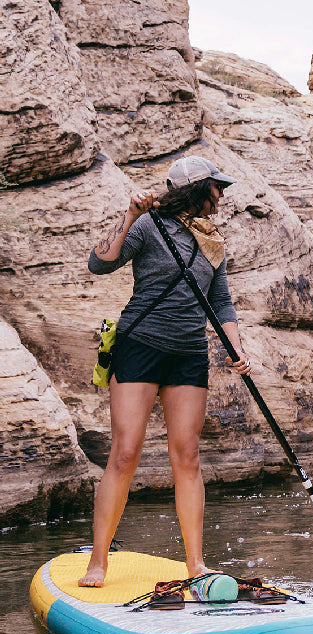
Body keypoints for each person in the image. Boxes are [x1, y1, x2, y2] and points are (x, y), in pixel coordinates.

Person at [79, 156, 251, 587]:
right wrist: (130, 214)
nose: (222, 194)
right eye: (217, 187)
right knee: (125, 453)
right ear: (197, 189)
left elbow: (222, 302)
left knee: (188, 457)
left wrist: (237, 346)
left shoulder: (214, 241)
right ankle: (98, 560)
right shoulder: (148, 226)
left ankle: (196, 564)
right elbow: (99, 264)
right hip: (140, 346)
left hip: (188, 353)